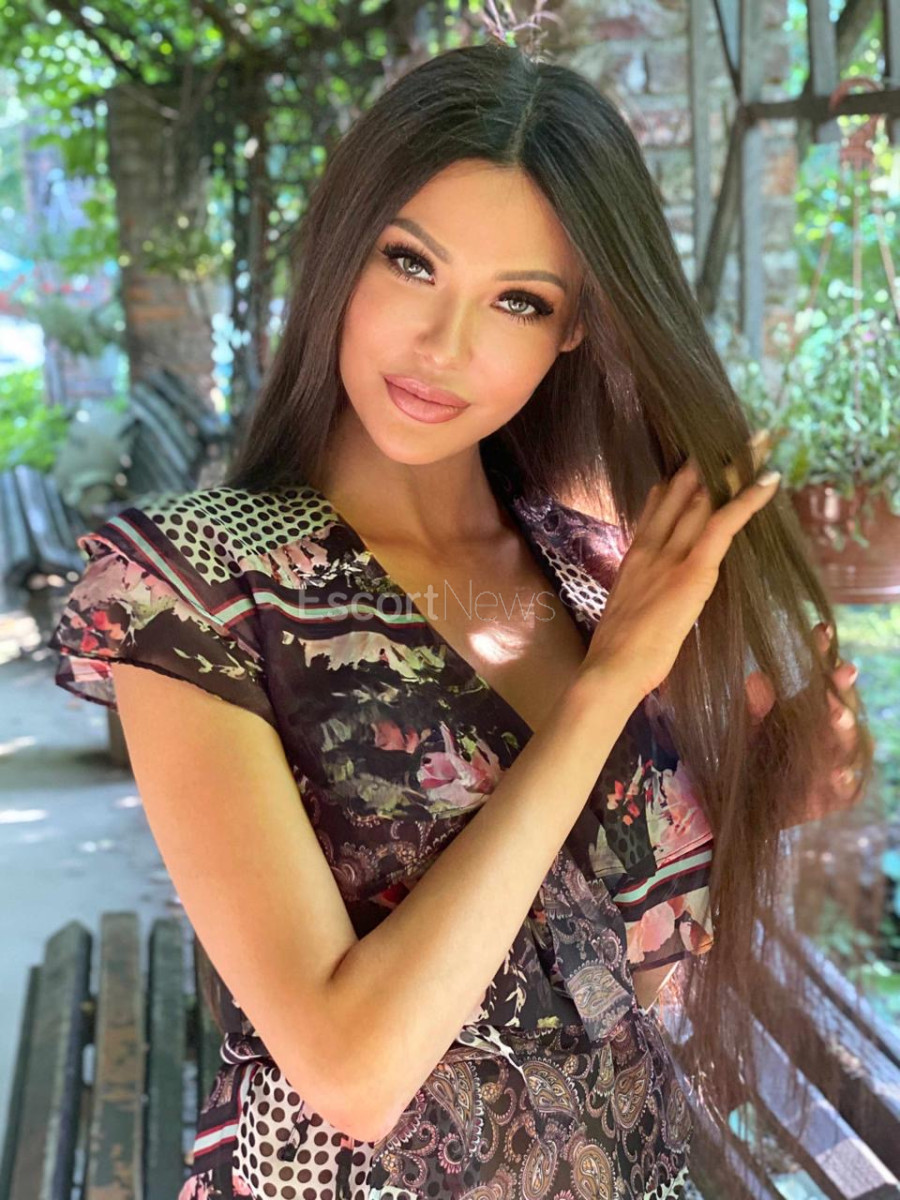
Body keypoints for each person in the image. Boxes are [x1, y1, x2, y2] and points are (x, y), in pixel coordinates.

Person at [49, 40, 870, 1200]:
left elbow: (613, 952)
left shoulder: (599, 575)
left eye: (518, 300)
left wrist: (770, 794)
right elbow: (353, 1067)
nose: (444, 347)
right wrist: (607, 687)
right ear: (344, 251)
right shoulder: (197, 593)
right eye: (411, 262)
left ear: (574, 328)